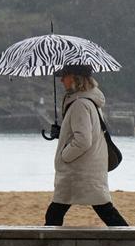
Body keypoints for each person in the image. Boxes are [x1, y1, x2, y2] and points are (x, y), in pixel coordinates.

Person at [43, 64, 129, 227]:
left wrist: (64, 156)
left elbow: (83, 140)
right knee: (105, 211)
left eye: (64, 76)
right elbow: (86, 132)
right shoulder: (89, 100)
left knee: (56, 212)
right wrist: (61, 132)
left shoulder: (80, 104)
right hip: (89, 167)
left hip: (78, 170)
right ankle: (132, 239)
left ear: (75, 78)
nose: (61, 80)